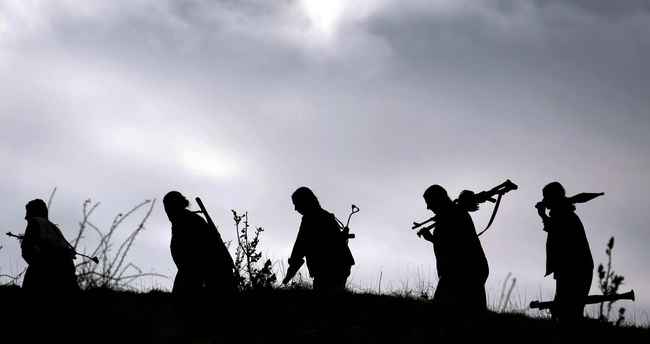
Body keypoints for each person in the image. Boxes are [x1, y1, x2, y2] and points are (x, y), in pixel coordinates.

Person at [417, 185, 489, 318]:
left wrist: (431, 238)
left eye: (429, 202)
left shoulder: (453, 214)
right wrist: (432, 238)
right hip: (466, 271)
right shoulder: (451, 214)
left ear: (439, 199)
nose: (428, 207)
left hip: (463, 272)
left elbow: (455, 247)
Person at [535, 182, 601, 323]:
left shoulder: (564, 215)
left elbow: (555, 229)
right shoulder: (562, 214)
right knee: (566, 311)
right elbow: (553, 228)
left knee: (568, 313)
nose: (543, 200)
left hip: (574, 269)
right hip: (571, 268)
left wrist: (542, 215)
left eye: (545, 196)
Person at [163, 191, 236, 298]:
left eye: (168, 207)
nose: (167, 212)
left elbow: (200, 252)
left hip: (209, 267)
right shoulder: (183, 221)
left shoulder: (188, 221)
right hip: (199, 268)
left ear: (175, 206)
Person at [282, 187, 355, 293]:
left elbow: (300, 247)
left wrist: (289, 275)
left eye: (296, 204)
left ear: (305, 202)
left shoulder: (310, 219)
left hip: (328, 268)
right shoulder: (326, 215)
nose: (295, 208)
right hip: (341, 265)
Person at [20, 199, 79, 293]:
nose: (26, 217)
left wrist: (39, 268)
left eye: (28, 213)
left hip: (42, 279)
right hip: (65, 278)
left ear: (34, 212)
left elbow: (27, 250)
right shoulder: (55, 229)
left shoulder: (35, 222)